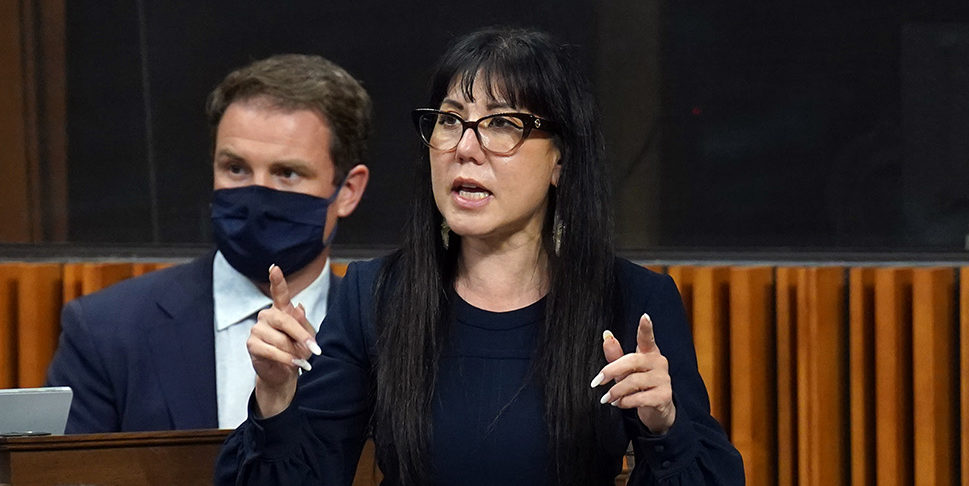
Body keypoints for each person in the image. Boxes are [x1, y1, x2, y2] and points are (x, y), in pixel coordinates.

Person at [215, 28, 744, 485]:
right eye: (450, 120)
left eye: (501, 124)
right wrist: (277, 397)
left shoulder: (633, 300)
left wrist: (664, 428)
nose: (465, 147)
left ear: (560, 159)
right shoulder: (377, 295)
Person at [45, 54, 371, 433]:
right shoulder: (105, 331)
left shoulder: (390, 333)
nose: (257, 194)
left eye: (287, 173)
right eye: (236, 169)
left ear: (347, 191)